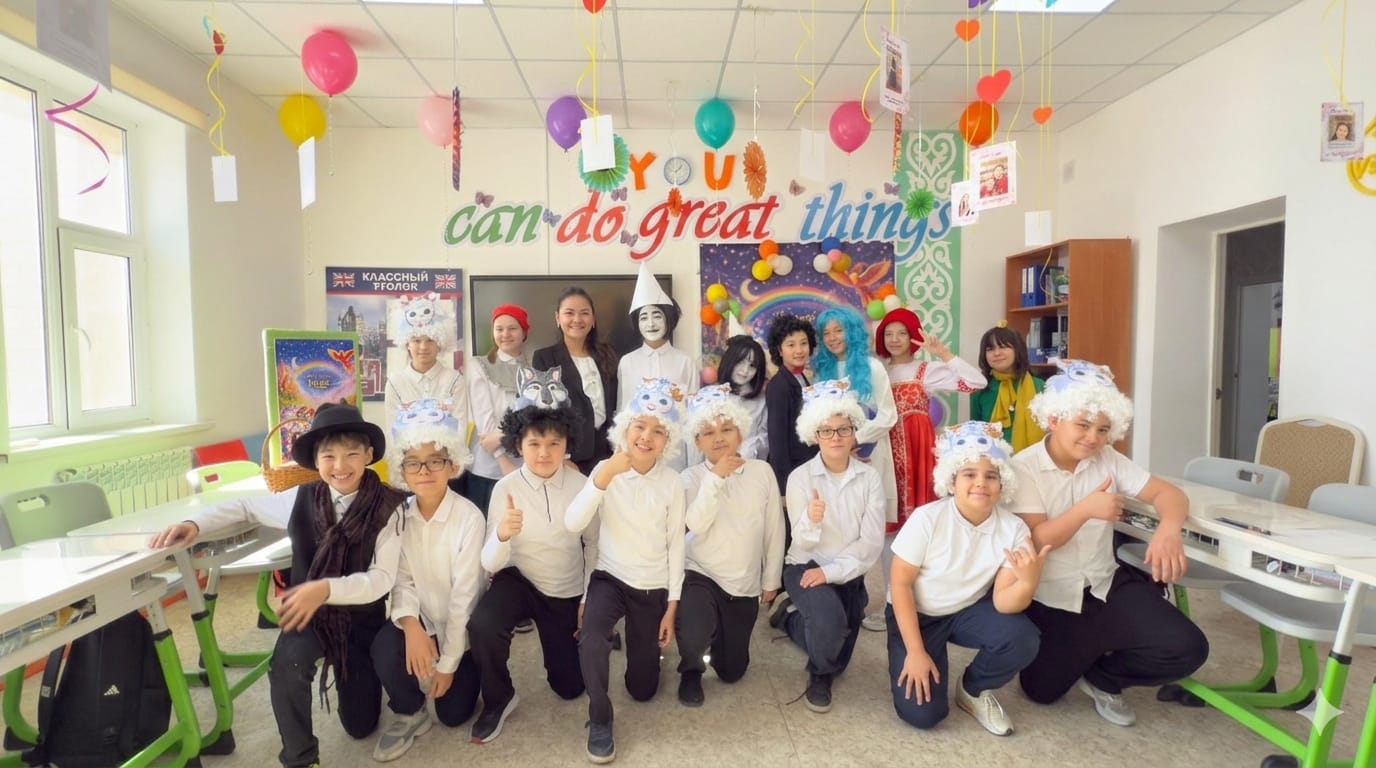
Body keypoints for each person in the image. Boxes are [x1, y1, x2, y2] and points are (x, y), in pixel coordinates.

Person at [150, 403, 409, 768]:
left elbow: (381, 580)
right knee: (287, 664)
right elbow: (244, 505)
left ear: (368, 455)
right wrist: (195, 523)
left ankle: (355, 680)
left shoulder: (390, 506)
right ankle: (301, 758)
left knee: (360, 725)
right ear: (315, 461)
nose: (340, 465)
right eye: (329, 456)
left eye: (351, 454)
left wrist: (325, 589)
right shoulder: (301, 498)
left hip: (362, 621)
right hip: (308, 616)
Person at [1010, 358, 1209, 726]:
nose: (1093, 437)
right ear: (1053, 419)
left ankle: (1104, 677)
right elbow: (1037, 539)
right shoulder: (1023, 467)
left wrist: (1168, 529)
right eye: (1083, 425)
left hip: (1105, 584)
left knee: (1188, 648)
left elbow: (1169, 494)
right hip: (1051, 598)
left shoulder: (1108, 459)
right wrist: (1086, 510)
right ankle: (1091, 648)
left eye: (1103, 429)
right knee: (1041, 691)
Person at [886, 421, 1045, 736]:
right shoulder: (927, 518)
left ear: (1003, 483)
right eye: (969, 474)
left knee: (1023, 638)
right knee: (924, 715)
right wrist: (916, 652)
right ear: (951, 481)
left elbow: (1003, 602)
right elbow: (900, 584)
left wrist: (1027, 582)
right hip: (918, 613)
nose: (980, 483)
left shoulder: (1014, 529)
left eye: (991, 476)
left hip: (966, 610)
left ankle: (973, 688)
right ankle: (920, 652)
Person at [565, 377, 687, 764]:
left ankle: (641, 650)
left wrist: (671, 606)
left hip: (651, 586)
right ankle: (600, 718)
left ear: (668, 441)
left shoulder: (672, 483)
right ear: (625, 428)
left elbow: (676, 545)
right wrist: (604, 477)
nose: (646, 437)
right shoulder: (606, 470)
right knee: (591, 639)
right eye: (640, 426)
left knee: (642, 690)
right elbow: (573, 524)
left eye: (658, 431)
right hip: (610, 578)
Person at [468, 404, 594, 744]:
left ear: (567, 445)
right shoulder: (505, 488)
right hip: (518, 579)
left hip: (565, 587)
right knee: (482, 625)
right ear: (518, 445)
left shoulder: (582, 485)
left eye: (554, 443)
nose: (544, 453)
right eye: (534, 443)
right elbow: (490, 563)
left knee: (570, 688)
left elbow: (595, 545)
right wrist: (502, 534)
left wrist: (587, 597)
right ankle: (499, 698)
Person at [369, 405, 485, 761]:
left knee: (453, 715)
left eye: (435, 461)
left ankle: (458, 670)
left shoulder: (469, 518)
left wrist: (448, 663)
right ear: (401, 470)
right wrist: (410, 626)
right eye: (413, 463)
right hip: (422, 621)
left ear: (453, 465)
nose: (424, 471)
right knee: (384, 645)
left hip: (461, 629)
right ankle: (410, 710)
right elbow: (400, 580)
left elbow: (465, 598)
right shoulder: (398, 515)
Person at [768, 380, 884, 714]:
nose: (836, 437)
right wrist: (812, 519)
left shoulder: (870, 479)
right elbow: (802, 542)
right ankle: (818, 675)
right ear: (814, 435)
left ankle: (791, 618)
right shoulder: (800, 478)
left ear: (854, 431)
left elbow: (871, 543)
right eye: (826, 430)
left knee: (839, 654)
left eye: (843, 429)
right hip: (804, 565)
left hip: (846, 569)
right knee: (829, 632)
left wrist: (831, 573)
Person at [675, 385, 785, 707]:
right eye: (708, 432)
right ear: (697, 441)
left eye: (726, 429)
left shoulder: (762, 472)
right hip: (700, 572)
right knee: (694, 631)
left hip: (743, 582)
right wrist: (716, 478)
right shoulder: (689, 478)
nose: (719, 438)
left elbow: (774, 529)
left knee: (732, 671)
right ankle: (691, 669)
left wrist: (771, 579)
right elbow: (695, 524)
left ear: (740, 432)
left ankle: (721, 638)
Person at [814, 306, 901, 634]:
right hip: (836, 461)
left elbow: (888, 415)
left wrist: (854, 441)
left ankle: (894, 604)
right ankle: (847, 603)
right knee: (844, 529)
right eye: (826, 333)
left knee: (880, 529)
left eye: (838, 330)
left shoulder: (872, 367)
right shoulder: (822, 370)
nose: (832, 338)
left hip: (870, 458)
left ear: (850, 331)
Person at [874, 306, 986, 537]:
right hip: (886, 449)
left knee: (922, 524)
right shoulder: (878, 372)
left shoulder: (926, 371)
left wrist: (944, 354)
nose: (894, 339)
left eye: (902, 333)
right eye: (888, 334)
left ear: (913, 336)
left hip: (918, 448)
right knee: (887, 515)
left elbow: (977, 383)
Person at [383, 296, 469, 494]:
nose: (423, 347)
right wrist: (402, 468)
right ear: (407, 344)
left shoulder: (454, 380)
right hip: (411, 471)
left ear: (440, 343)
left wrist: (453, 465)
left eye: (430, 340)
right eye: (416, 340)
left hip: (445, 469)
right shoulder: (395, 383)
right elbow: (392, 430)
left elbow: (460, 425)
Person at [617, 264, 698, 469]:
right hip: (637, 454)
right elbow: (623, 411)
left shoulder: (685, 362)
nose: (651, 323)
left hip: (675, 455)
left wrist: (694, 466)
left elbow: (693, 416)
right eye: (644, 317)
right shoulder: (627, 362)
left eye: (657, 316)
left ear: (668, 320)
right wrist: (621, 455)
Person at [533, 287, 619, 476]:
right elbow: (543, 413)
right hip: (569, 460)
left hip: (608, 456)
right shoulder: (545, 358)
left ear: (593, 319)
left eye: (584, 313)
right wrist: (562, 457)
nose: (577, 319)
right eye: (569, 313)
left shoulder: (608, 354)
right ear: (558, 318)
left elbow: (616, 404)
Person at [467, 304, 531, 513]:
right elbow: (484, 419)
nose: (505, 334)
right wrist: (502, 460)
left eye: (512, 328)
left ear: (524, 332)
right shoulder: (479, 365)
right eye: (499, 329)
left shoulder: (534, 368)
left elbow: (535, 417)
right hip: (488, 465)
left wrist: (503, 436)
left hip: (526, 462)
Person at [970, 324, 1045, 452]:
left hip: (1033, 459)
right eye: (990, 349)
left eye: (1003, 347)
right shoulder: (980, 389)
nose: (997, 353)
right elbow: (975, 434)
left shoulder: (1039, 386)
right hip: (993, 459)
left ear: (1018, 350)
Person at [765, 314, 818, 496]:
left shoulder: (801, 377)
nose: (799, 350)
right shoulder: (778, 386)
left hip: (808, 466)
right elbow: (777, 441)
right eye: (791, 345)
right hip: (793, 473)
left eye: (803, 343)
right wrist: (786, 487)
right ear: (779, 350)